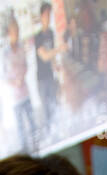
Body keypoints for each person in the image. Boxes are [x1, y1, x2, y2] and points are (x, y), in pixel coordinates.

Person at [2, 13, 37, 152]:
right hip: (14, 97)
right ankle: (26, 150)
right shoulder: (5, 53)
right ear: (9, 33)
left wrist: (22, 76)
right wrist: (14, 82)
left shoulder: (21, 48)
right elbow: (3, 76)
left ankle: (36, 145)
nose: (16, 34)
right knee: (21, 128)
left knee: (32, 122)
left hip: (25, 92)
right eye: (14, 31)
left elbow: (26, 65)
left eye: (17, 30)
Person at [34, 3, 61, 137]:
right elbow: (44, 56)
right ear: (41, 16)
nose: (47, 17)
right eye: (45, 15)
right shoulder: (38, 36)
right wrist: (59, 49)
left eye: (49, 14)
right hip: (41, 78)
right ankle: (50, 134)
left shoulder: (50, 33)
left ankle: (57, 130)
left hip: (50, 75)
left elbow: (51, 55)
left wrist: (56, 64)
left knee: (55, 103)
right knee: (46, 110)